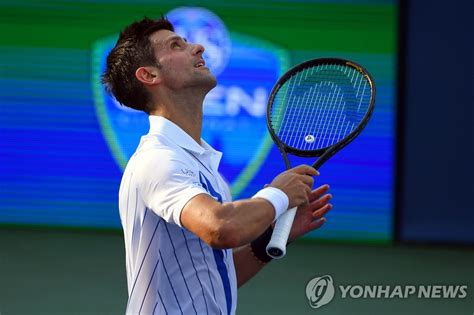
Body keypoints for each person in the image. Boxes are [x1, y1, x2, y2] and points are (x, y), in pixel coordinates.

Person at [102, 16, 333, 315]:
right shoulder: (158, 161)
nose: (198, 47)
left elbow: (210, 277)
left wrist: (268, 239)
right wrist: (278, 195)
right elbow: (222, 227)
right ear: (148, 75)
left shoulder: (200, 164)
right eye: (177, 45)